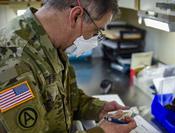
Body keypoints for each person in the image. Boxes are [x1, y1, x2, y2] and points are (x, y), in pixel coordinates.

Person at [0, 0, 137, 132]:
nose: (95, 40)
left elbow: (67, 99)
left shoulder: (52, 42)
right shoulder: (14, 59)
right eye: (96, 32)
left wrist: (98, 109)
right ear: (76, 16)